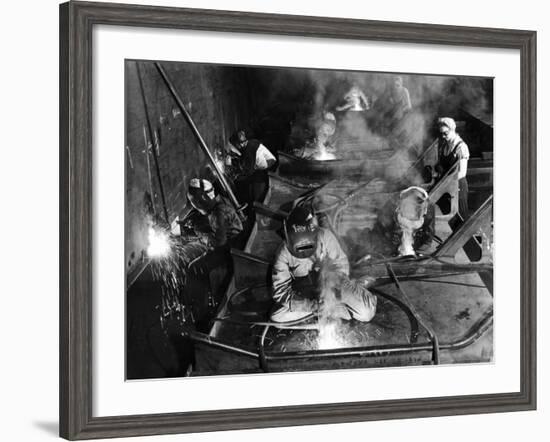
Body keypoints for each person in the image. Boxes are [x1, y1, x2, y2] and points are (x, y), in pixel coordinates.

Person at [270, 205, 377, 323]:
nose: (304, 250)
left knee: (367, 312)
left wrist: (329, 289)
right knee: (277, 316)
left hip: (334, 286)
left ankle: (355, 289)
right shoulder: (283, 252)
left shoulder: (325, 236)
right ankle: (332, 310)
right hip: (306, 293)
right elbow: (280, 291)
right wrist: (311, 305)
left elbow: (341, 265)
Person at [179, 178, 244, 330]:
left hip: (230, 250)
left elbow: (218, 242)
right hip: (236, 241)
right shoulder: (221, 202)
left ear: (202, 199)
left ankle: (200, 311)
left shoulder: (217, 214)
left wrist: (199, 233)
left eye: (194, 202)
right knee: (193, 247)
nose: (194, 205)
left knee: (194, 268)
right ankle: (189, 298)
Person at [229, 129, 276, 209]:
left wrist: (236, 176)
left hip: (262, 173)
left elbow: (248, 170)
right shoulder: (251, 143)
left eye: (235, 145)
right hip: (264, 168)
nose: (235, 147)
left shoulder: (249, 150)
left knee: (248, 188)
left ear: (239, 144)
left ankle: (251, 208)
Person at [436, 117, 470, 221]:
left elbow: (462, 173)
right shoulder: (444, 145)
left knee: (462, 219)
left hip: (458, 187)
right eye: (441, 133)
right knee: (451, 219)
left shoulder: (461, 147)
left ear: (453, 130)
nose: (443, 136)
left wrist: (445, 183)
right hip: (447, 187)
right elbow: (442, 166)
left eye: (445, 133)